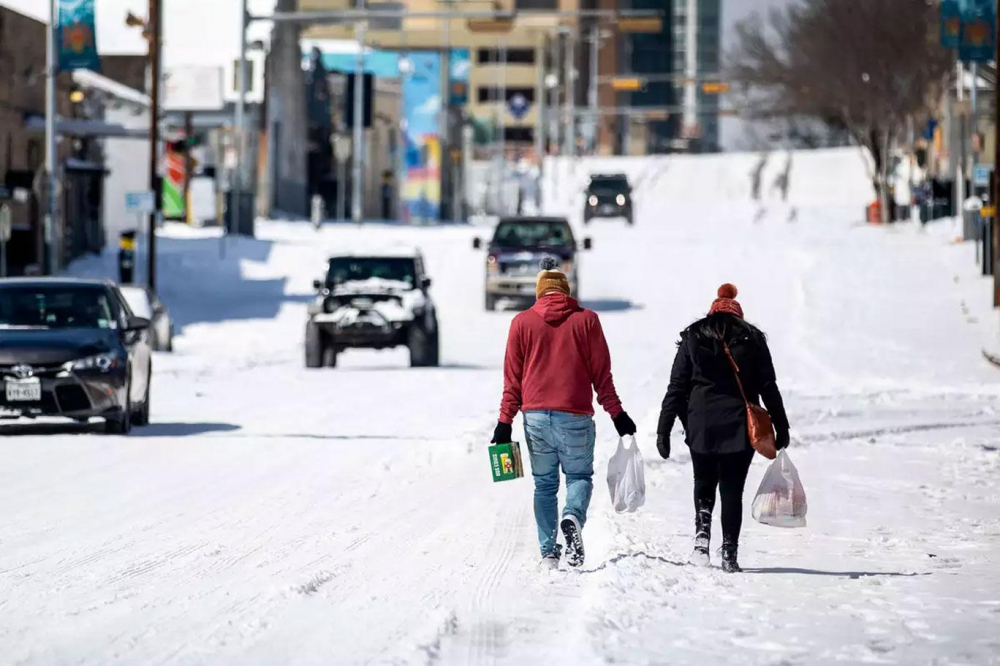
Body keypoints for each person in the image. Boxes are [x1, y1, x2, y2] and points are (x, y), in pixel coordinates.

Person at [492, 257, 636, 568]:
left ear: (539, 291)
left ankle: (548, 553)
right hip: (575, 416)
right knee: (579, 476)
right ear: (566, 291)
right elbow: (602, 376)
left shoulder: (521, 323)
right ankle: (572, 516)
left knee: (544, 485)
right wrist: (617, 414)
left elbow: (512, 380)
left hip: (535, 419)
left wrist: (504, 422)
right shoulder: (588, 321)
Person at [656, 284, 789, 573]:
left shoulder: (693, 336)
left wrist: (663, 429)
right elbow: (768, 386)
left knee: (703, 481)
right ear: (738, 313)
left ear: (713, 310)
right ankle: (729, 552)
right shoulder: (753, 339)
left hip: (701, 423)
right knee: (732, 489)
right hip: (739, 425)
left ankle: (701, 539)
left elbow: (677, 387)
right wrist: (781, 425)